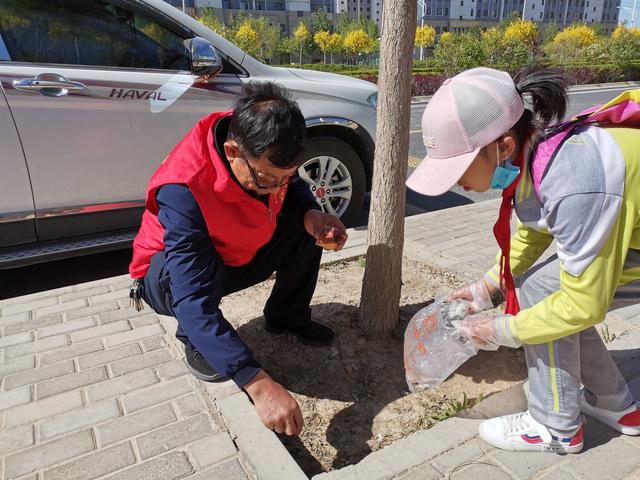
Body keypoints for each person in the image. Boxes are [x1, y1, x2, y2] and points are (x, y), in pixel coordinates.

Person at [406, 66, 640, 453]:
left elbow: (583, 305)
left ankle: (556, 428)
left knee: (548, 297)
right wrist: (488, 286)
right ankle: (617, 405)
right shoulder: (541, 154)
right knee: (541, 290)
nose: (454, 183)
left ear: (503, 146)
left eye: (457, 168)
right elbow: (537, 227)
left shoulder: (574, 181)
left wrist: (497, 330)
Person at [128, 81, 347, 436]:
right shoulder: (185, 189)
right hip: (166, 276)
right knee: (196, 277)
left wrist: (312, 215)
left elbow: (288, 188)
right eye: (267, 180)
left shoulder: (259, 143)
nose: (277, 188)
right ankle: (195, 340)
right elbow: (191, 295)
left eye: (286, 178)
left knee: (306, 231)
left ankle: (286, 317)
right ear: (232, 152)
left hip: (234, 249)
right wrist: (256, 382)